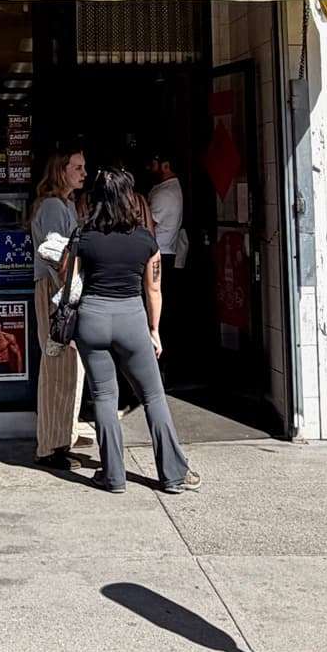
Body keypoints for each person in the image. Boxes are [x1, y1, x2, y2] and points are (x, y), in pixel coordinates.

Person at [69, 168, 200, 495]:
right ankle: (172, 474)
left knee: (104, 396)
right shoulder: (144, 240)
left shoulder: (83, 236)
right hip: (131, 318)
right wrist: (154, 330)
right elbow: (154, 290)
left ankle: (112, 476)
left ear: (96, 199)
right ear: (129, 197)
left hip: (92, 318)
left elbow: (69, 284)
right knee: (153, 396)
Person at [30, 145, 86, 470]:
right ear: (61, 170)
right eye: (77, 167)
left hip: (63, 289)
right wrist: (70, 289)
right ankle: (51, 445)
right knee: (58, 366)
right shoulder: (53, 206)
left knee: (68, 366)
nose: (83, 173)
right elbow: (56, 253)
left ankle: (60, 440)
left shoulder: (65, 204)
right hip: (57, 290)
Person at [146, 151, 184, 273]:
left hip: (159, 254)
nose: (150, 168)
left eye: (153, 164)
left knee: (155, 290)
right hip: (160, 252)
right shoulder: (164, 188)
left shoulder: (166, 194)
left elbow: (147, 224)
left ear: (165, 166)